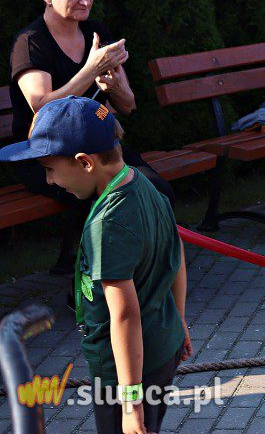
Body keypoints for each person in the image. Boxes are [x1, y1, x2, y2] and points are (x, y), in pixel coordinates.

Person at [0, 96, 191, 434]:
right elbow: (175, 254)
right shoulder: (143, 183)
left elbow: (124, 314)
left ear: (85, 162)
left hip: (126, 374)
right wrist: (179, 319)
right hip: (162, 347)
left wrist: (130, 403)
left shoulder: (107, 224)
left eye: (49, 169)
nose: (48, 181)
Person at [9, 0, 175, 272]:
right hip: (50, 157)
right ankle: (95, 290)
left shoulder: (95, 32)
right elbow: (41, 107)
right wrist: (90, 70)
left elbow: (128, 106)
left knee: (158, 191)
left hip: (100, 149)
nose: (85, 1)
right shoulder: (30, 42)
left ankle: (147, 277)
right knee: (110, 199)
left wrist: (116, 86)